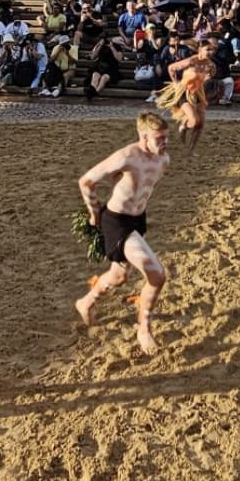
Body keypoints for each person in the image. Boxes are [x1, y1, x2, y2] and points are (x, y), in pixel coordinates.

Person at [74, 111, 173, 356]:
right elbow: (86, 181)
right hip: (116, 222)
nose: (165, 143)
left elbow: (140, 188)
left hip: (137, 220)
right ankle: (144, 328)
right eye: (159, 138)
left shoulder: (163, 161)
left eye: (166, 138)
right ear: (143, 136)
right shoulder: (127, 155)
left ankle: (86, 302)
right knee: (157, 275)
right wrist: (94, 212)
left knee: (119, 276)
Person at [154, 43, 212, 153]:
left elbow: (207, 78)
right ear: (200, 49)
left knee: (201, 124)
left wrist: (207, 80)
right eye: (207, 49)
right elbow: (171, 68)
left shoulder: (210, 65)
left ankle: (192, 149)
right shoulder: (191, 61)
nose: (210, 52)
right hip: (185, 92)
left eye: (212, 50)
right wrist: (175, 83)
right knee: (194, 121)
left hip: (199, 93)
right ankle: (183, 125)